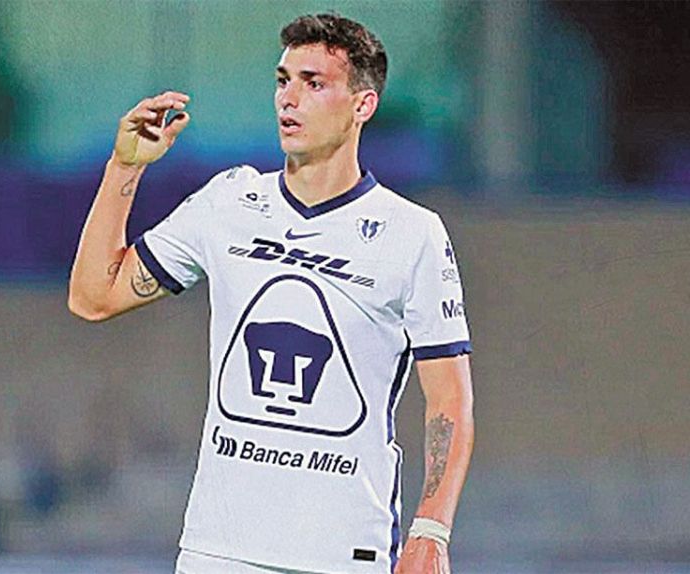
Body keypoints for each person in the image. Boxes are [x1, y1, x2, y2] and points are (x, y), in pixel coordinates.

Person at [68, 13, 473, 574]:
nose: (289, 98)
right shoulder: (229, 202)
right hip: (219, 549)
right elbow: (94, 296)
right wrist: (125, 167)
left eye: (314, 83)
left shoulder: (412, 233)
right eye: (283, 80)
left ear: (363, 105)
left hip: (343, 552)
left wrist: (431, 529)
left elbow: (450, 399)